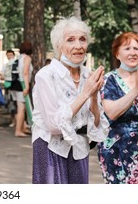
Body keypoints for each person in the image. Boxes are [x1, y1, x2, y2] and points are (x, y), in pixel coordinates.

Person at [31, 16, 109, 184]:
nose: (78, 46)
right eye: (70, 40)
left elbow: (95, 123)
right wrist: (85, 94)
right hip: (50, 149)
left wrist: (94, 96)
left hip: (80, 149)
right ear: (59, 46)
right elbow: (54, 126)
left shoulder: (88, 75)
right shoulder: (46, 75)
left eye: (82, 39)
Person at [97, 31, 138, 184]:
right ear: (117, 54)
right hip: (118, 151)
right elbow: (112, 112)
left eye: (136, 49)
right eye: (127, 49)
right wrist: (135, 91)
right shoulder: (109, 80)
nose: (133, 53)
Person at [11, 41, 33, 137]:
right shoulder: (27, 58)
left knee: (21, 108)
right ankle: (18, 130)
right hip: (23, 84)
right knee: (21, 108)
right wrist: (27, 86)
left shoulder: (19, 58)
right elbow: (25, 72)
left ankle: (22, 128)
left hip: (16, 84)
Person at [0, 49, 17, 126]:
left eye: (11, 55)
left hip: (15, 86)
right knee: (10, 104)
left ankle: (17, 121)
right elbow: (2, 75)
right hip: (7, 86)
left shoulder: (16, 64)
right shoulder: (5, 65)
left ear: (14, 55)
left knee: (15, 104)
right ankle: (13, 120)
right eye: (8, 55)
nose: (9, 57)